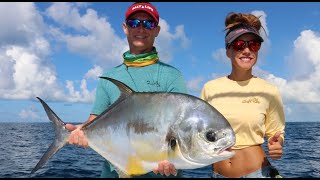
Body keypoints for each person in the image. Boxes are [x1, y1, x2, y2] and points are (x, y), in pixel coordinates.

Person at [65, 2, 187, 178]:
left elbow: (179, 129)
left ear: (157, 30)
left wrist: (174, 158)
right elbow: (95, 120)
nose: (141, 29)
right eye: (134, 23)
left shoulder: (172, 76)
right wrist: (80, 132)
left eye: (148, 24)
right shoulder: (109, 78)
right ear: (125, 28)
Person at [200, 12, 286, 178]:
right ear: (228, 51)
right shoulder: (210, 89)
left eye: (253, 45)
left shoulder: (269, 90)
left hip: (258, 173)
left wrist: (277, 145)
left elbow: (276, 132)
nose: (246, 50)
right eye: (239, 45)